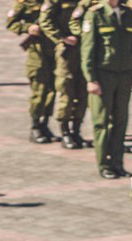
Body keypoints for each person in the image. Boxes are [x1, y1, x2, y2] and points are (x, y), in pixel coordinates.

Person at [80, 0, 132, 179]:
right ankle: (104, 164)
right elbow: (88, 50)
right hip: (103, 75)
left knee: (121, 120)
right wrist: (91, 79)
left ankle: (117, 163)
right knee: (102, 122)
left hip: (124, 75)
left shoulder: (128, 13)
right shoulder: (95, 14)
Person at [40, 0, 88, 149]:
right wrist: (61, 38)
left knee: (83, 92)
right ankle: (65, 131)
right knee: (66, 91)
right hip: (66, 52)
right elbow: (45, 21)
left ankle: (76, 130)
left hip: (86, 49)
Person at [7, 0, 57, 144]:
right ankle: (35, 126)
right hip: (37, 52)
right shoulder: (25, 3)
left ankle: (45, 124)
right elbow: (11, 23)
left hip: (54, 49)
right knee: (39, 90)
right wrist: (28, 28)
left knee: (52, 89)